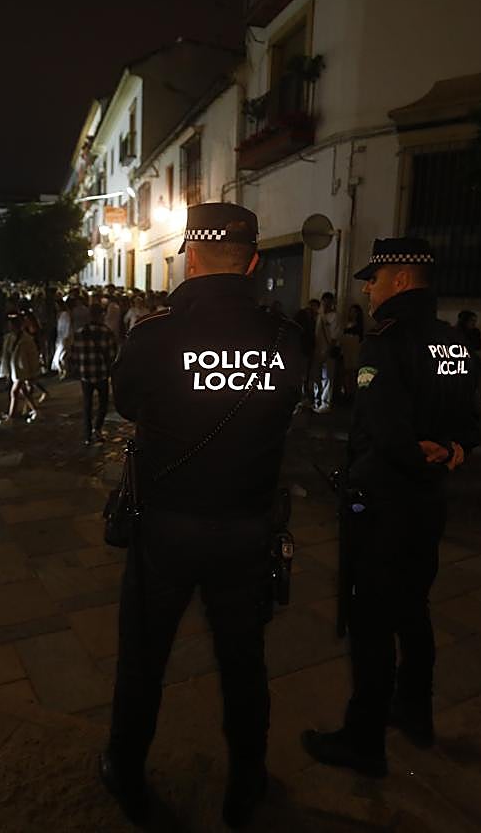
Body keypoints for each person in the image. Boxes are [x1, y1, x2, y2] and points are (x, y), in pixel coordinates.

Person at [100, 203, 303, 828]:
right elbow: (289, 403)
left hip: (166, 529)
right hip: (246, 528)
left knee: (144, 657)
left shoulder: (154, 337)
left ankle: (127, 775)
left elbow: (127, 402)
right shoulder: (286, 338)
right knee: (245, 662)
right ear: (253, 261)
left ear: (189, 255)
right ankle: (247, 782)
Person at [304, 237, 479, 778]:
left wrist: (417, 457)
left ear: (400, 280)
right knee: (413, 609)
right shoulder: (454, 341)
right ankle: (415, 712)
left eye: (374, 277)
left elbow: (383, 429)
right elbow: (470, 417)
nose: (367, 286)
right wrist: (450, 450)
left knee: (372, 622)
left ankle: (363, 739)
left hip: (382, 504)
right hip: (428, 504)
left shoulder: (386, 339)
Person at [70, 303, 118, 446]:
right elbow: (112, 355)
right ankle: (97, 429)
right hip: (102, 374)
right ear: (101, 315)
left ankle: (87, 435)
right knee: (103, 404)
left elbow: (74, 355)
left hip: (86, 374)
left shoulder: (79, 333)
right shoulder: (106, 332)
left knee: (87, 404)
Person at [312, 292, 341, 413]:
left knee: (327, 377)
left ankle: (325, 403)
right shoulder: (320, 316)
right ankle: (316, 400)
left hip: (328, 351)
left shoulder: (335, 317)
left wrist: (329, 349)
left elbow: (335, 336)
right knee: (316, 376)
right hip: (318, 350)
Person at [293, 299, 319, 409]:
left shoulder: (310, 318)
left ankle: (304, 397)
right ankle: (304, 397)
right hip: (305, 349)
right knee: (305, 374)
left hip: (305, 349)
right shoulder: (308, 319)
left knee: (305, 375)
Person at [455, 310, 481, 406]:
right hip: (457, 360)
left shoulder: (475, 332)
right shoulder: (455, 332)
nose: (474, 323)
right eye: (472, 321)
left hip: (470, 361)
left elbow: (479, 346)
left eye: (475, 321)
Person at [341, 303, 365, 400]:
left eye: (355, 312)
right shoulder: (346, 324)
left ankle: (352, 393)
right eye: (351, 311)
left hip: (354, 349)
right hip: (347, 349)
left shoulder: (359, 326)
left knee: (353, 372)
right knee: (346, 372)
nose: (353, 313)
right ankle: (347, 392)